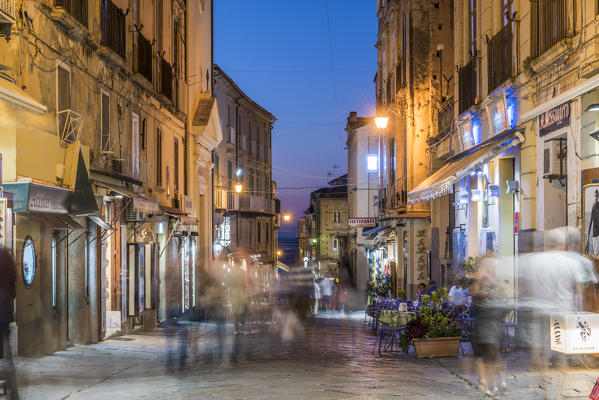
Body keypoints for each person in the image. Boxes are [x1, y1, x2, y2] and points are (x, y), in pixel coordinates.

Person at [0, 247, 19, 400]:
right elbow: (13, 292)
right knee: (7, 355)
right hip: (5, 315)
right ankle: (13, 392)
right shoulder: (7, 259)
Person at [587, 189, 599, 255]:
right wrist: (588, 236)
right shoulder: (593, 205)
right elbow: (591, 220)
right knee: (595, 253)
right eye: (595, 195)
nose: (596, 197)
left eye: (597, 196)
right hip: (594, 232)